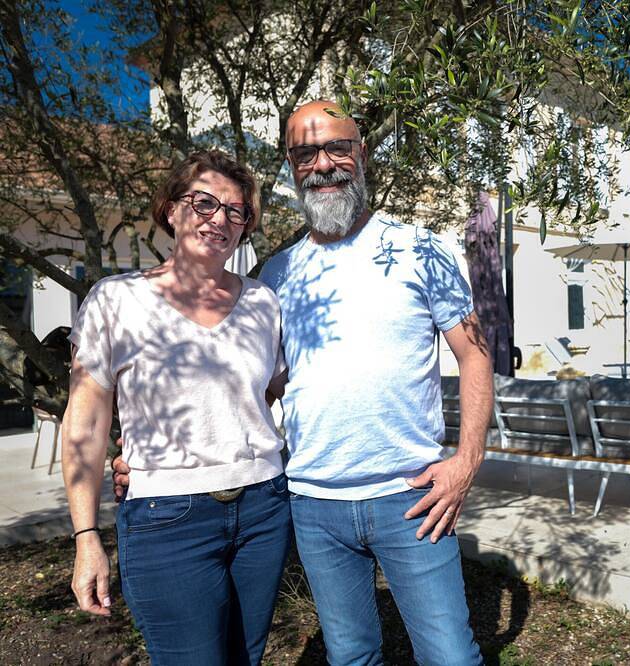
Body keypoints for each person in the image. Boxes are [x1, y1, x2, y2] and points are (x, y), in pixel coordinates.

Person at [114, 101, 495, 664]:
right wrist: (156, 454)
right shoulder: (275, 276)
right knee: (350, 657)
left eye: (337, 147)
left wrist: (466, 462)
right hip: (313, 504)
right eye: (305, 153)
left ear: (361, 153)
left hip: (412, 497)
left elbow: (476, 355)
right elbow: (252, 387)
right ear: (291, 168)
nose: (323, 164)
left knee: (451, 656)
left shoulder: (421, 248)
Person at [62, 151, 291, 665]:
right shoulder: (114, 299)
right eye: (204, 203)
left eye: (236, 212)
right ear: (170, 209)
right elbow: (86, 422)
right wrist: (86, 536)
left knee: (244, 659)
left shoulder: (263, 303)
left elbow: (267, 392)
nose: (220, 220)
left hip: (265, 508)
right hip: (167, 517)